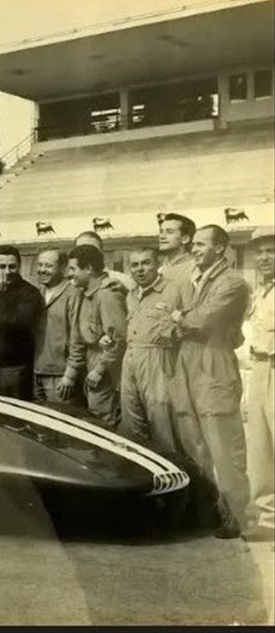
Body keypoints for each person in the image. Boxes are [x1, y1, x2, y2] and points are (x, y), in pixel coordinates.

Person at [170, 224, 250, 538]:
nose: (194, 249)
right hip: (189, 363)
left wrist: (180, 317)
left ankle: (237, 517)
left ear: (220, 248)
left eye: (201, 244)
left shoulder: (232, 282)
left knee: (223, 447)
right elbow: (190, 320)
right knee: (197, 444)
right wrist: (184, 319)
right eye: (195, 245)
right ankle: (210, 511)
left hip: (214, 365)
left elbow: (203, 319)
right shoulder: (198, 279)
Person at [118, 247, 186, 452]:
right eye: (135, 265)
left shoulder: (173, 289)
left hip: (158, 358)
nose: (140, 269)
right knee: (131, 418)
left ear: (157, 264)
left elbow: (185, 328)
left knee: (160, 418)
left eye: (146, 263)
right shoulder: (131, 294)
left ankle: (171, 473)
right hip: (130, 357)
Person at [65, 244, 128, 427]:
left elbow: (119, 338)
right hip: (91, 362)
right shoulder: (83, 295)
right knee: (94, 416)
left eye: (73, 269)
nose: (69, 274)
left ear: (89, 269)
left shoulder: (107, 296)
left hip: (106, 368)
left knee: (104, 420)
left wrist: (100, 370)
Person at [0, 246, 44, 399]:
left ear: (19, 266)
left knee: (13, 418)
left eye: (12, 267)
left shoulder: (30, 293)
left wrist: (0, 295)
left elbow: (16, 325)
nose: (7, 271)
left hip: (14, 369)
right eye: (2, 266)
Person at [245, 226, 275, 540]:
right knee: (261, 446)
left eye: (271, 251)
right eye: (260, 252)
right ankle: (269, 521)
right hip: (261, 366)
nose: (264, 258)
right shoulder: (262, 290)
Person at [32, 248, 82, 404]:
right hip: (36, 372)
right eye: (40, 265)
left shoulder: (73, 294)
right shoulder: (37, 293)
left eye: (48, 266)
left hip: (60, 376)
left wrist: (70, 374)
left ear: (62, 267)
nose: (42, 270)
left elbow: (77, 336)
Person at [158, 212, 198, 284]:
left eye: (169, 232)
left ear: (185, 239)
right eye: (161, 231)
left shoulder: (195, 269)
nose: (162, 236)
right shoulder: (160, 269)